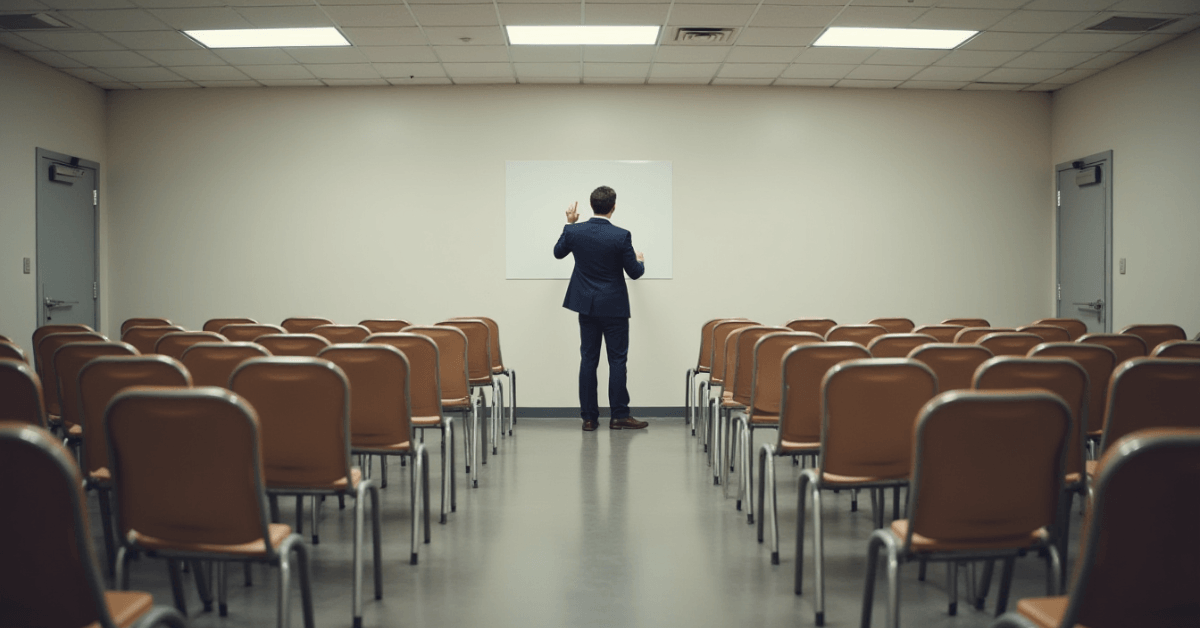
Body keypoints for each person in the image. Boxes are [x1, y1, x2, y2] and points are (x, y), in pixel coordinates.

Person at [553, 186, 649, 432]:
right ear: (613, 207)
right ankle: (619, 416)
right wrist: (640, 260)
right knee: (617, 360)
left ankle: (588, 418)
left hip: (586, 306)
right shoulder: (621, 236)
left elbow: (558, 253)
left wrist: (569, 223)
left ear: (591, 205)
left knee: (588, 359)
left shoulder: (575, 232)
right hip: (614, 307)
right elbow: (635, 273)